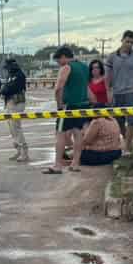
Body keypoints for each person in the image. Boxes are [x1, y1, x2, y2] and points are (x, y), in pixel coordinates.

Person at [103, 31, 133, 153]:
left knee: (131, 121)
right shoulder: (112, 57)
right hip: (117, 93)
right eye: (127, 41)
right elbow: (107, 76)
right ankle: (129, 143)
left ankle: (127, 148)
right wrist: (108, 91)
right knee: (118, 122)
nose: (129, 44)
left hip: (131, 93)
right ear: (122, 40)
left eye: (131, 42)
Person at [44, 46, 91, 174]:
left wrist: (59, 105)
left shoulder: (66, 67)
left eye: (58, 60)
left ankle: (57, 165)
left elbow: (58, 88)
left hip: (68, 106)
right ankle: (75, 163)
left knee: (60, 134)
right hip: (83, 105)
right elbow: (87, 87)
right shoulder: (85, 67)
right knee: (78, 133)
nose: (58, 64)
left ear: (64, 57)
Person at [0, 57, 29, 163]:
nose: (7, 69)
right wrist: (3, 90)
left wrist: (3, 90)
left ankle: (24, 151)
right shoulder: (10, 75)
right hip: (10, 102)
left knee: (16, 127)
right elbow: (6, 86)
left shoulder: (19, 75)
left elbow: (12, 87)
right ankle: (18, 150)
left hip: (17, 102)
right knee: (12, 127)